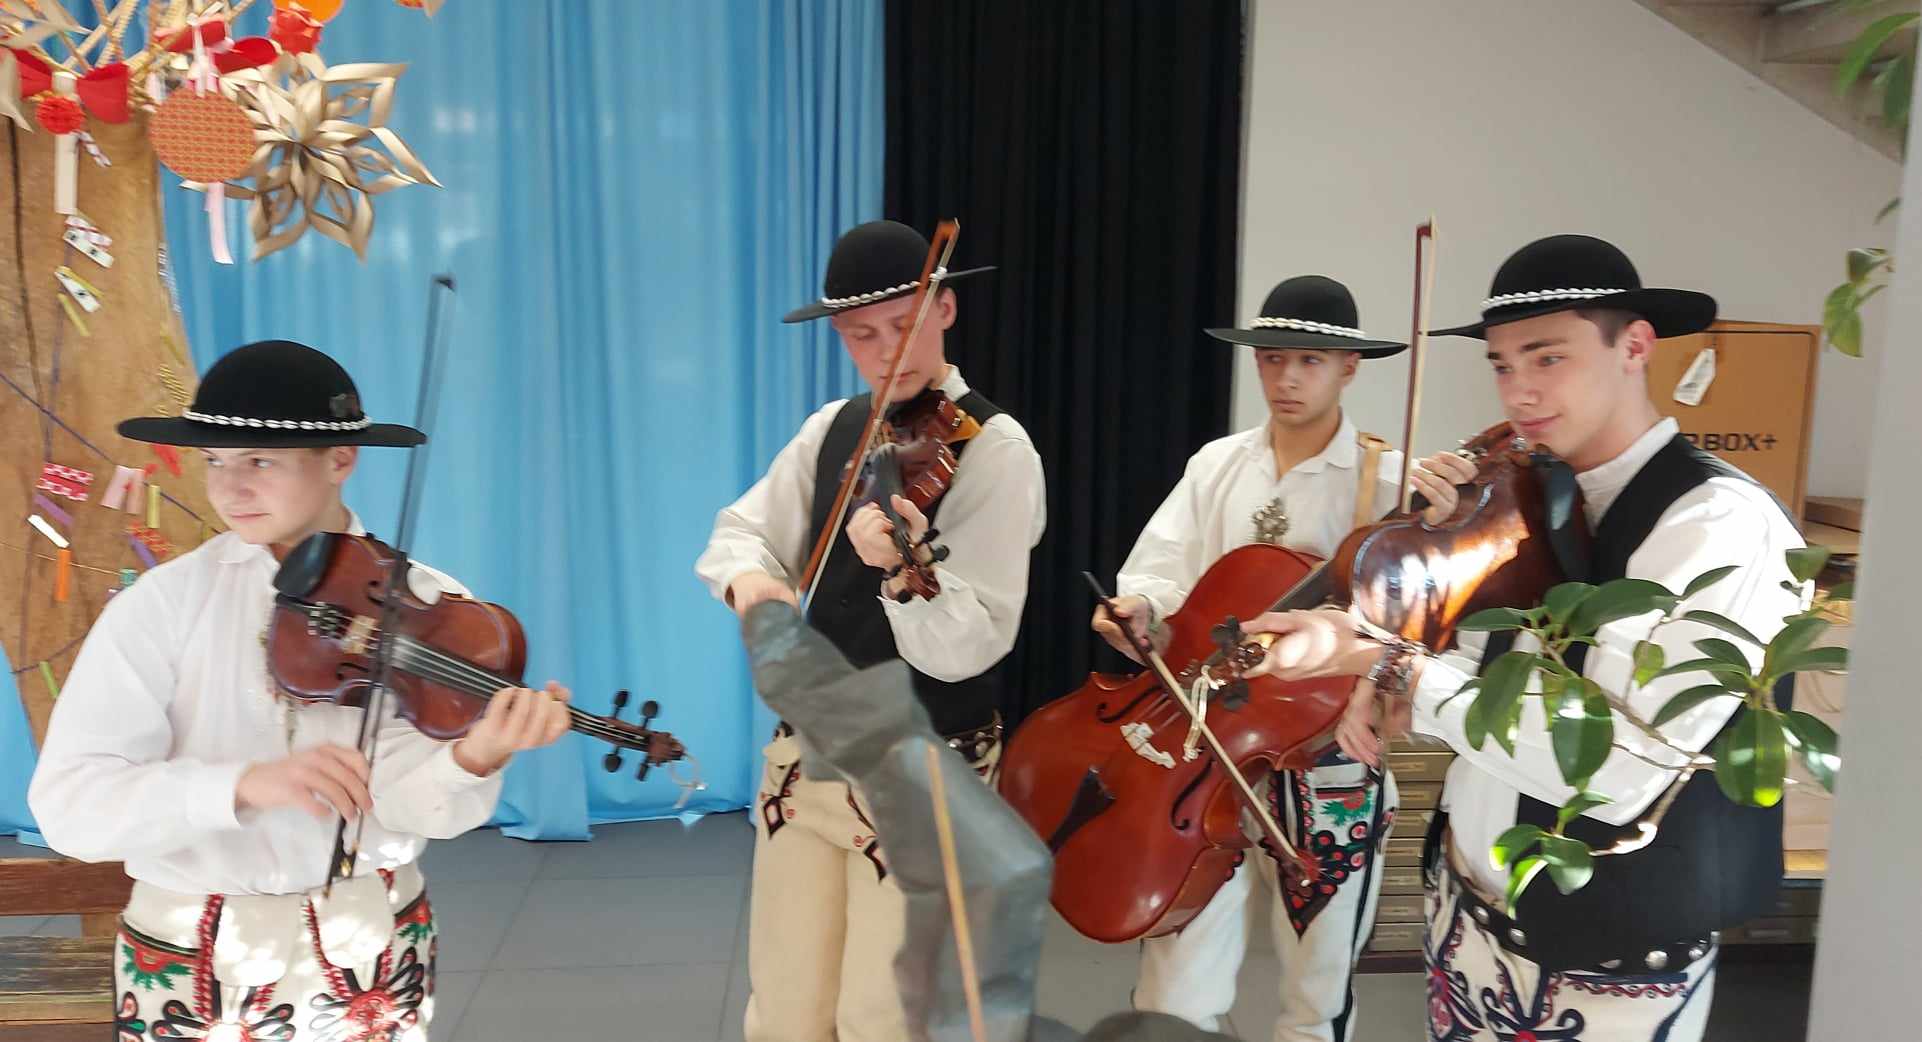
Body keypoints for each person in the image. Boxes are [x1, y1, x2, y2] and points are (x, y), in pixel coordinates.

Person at [1243, 235, 1804, 1041]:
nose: (1520, 391)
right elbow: (1497, 666)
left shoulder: (1718, 524)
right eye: (1503, 365)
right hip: (1463, 919)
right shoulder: (1534, 494)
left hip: (1609, 968)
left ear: (1634, 346)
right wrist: (1421, 603)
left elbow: (1612, 765)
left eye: (1548, 358)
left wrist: (1388, 662)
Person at [29, 339, 572, 1042]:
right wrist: (244, 785)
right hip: (191, 959)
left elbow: (415, 807)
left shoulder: (431, 605)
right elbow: (71, 808)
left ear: (341, 460)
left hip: (373, 955)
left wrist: (474, 757)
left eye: (260, 462)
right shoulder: (160, 605)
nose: (230, 489)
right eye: (215, 462)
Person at [695, 220, 1047, 1042]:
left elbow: (972, 645)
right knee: (785, 1008)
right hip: (809, 758)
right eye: (862, 335)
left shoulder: (996, 451)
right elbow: (741, 531)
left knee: (883, 1018)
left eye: (904, 324)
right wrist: (753, 585)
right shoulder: (834, 428)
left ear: (945, 308)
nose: (888, 353)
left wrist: (903, 577)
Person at [1107, 275, 1470, 1041]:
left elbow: (1426, 632)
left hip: (1326, 761)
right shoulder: (1218, 465)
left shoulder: (1392, 482)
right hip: (1210, 753)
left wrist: (1440, 536)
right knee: (1174, 991)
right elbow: (1163, 572)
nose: (1288, 378)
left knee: (1317, 996)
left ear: (1349, 367)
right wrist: (1143, 610)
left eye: (1309, 360)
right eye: (1272, 359)